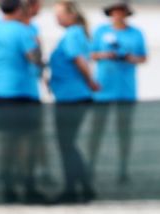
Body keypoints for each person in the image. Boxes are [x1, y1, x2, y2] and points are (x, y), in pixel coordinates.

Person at [0, 0, 46, 203]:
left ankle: (8, 188)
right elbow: (34, 58)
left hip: (0, 93)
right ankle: (28, 187)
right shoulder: (22, 30)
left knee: (6, 142)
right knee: (28, 141)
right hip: (25, 92)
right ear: (19, 9)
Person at [87, 2, 147, 185]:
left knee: (124, 132)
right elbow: (91, 54)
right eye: (114, 12)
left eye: (121, 11)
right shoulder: (101, 31)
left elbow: (143, 57)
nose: (118, 15)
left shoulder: (136, 33)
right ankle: (91, 165)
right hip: (103, 88)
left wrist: (130, 58)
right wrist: (106, 55)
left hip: (125, 90)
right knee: (96, 130)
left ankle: (123, 168)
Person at [49, 1, 100, 203]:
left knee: (66, 144)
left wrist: (90, 81)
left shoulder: (72, 34)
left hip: (72, 97)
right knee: (68, 143)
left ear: (71, 15)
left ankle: (73, 188)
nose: (57, 18)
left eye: (60, 14)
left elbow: (78, 60)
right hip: (71, 95)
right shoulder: (77, 33)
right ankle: (84, 187)